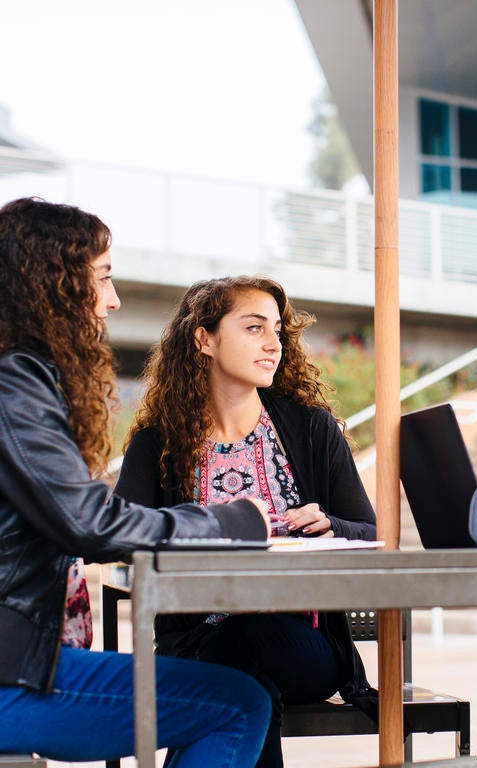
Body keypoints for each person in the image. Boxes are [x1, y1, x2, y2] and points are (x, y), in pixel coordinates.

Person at [0, 197, 273, 767]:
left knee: (235, 691)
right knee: (240, 703)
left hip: (16, 657)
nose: (114, 299)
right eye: (102, 278)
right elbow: (89, 522)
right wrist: (233, 519)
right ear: (51, 282)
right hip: (9, 676)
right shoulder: (14, 380)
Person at [114, 275, 378, 768]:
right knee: (244, 685)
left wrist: (330, 525)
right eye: (254, 328)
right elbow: (122, 539)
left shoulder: (311, 428)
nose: (274, 343)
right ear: (204, 338)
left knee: (243, 647)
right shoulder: (157, 444)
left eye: (277, 329)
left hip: (305, 645)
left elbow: (370, 533)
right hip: (194, 641)